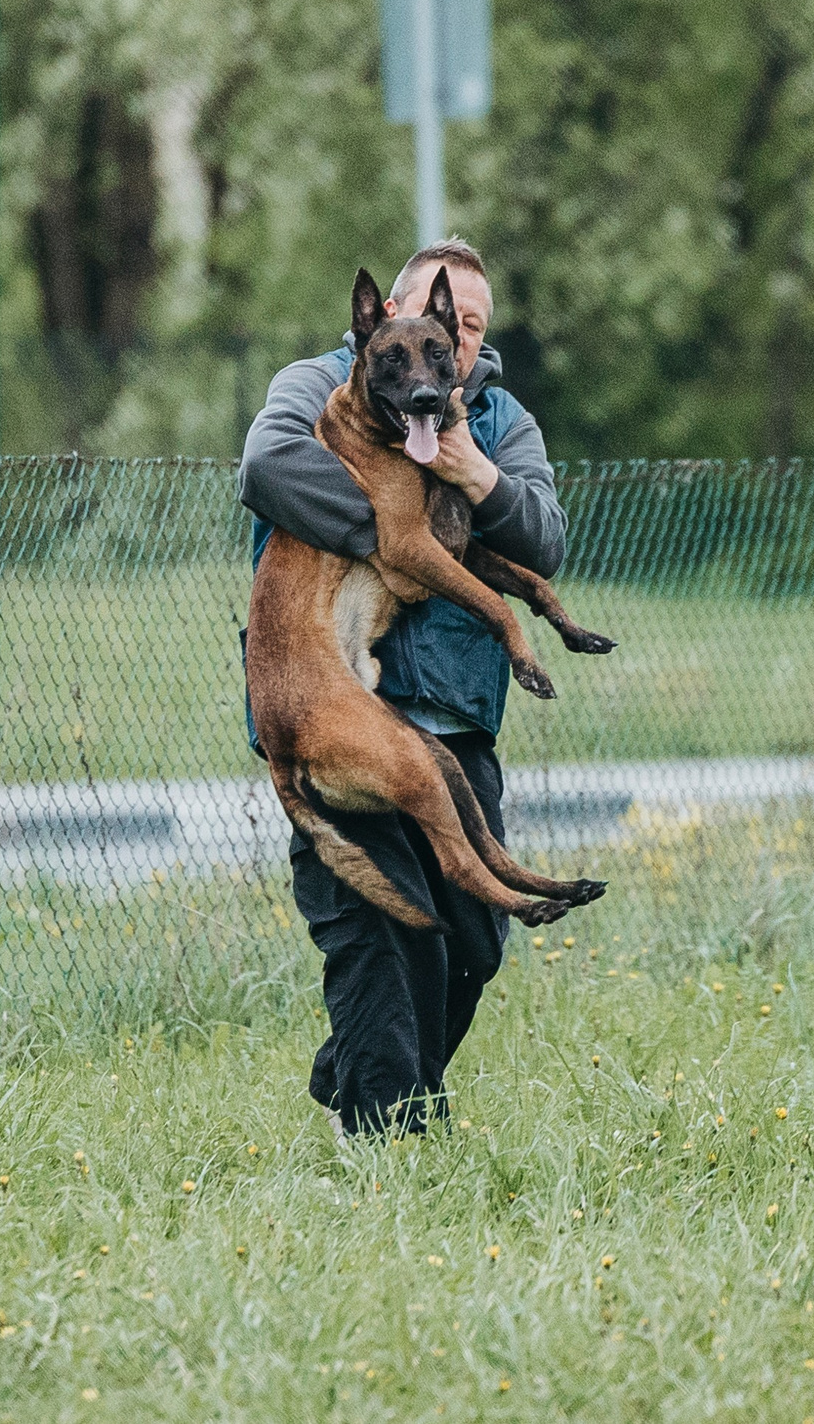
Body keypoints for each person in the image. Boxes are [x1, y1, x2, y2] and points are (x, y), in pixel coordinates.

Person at [238, 238, 568, 1136]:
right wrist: (399, 534)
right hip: (332, 705)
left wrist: (475, 477)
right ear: (390, 311)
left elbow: (545, 539)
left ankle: (356, 1073)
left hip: (454, 717)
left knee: (473, 940)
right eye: (434, 314)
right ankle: (387, 1141)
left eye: (469, 328)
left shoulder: (500, 421)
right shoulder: (320, 383)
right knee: (378, 936)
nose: (447, 346)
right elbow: (265, 468)